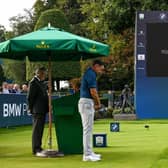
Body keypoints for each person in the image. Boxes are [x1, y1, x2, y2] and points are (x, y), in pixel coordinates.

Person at [78, 59, 105, 162]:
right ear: (96, 66)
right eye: (100, 69)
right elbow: (93, 91)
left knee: (88, 129)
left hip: (86, 103)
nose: (101, 71)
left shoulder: (90, 73)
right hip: (86, 103)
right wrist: (98, 103)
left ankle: (90, 152)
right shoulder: (91, 74)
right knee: (87, 129)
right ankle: (87, 155)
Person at [27, 67, 49, 157]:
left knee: (39, 130)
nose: (45, 76)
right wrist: (30, 108)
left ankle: (38, 147)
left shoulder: (40, 82)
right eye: (44, 74)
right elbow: (30, 97)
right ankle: (36, 148)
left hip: (42, 109)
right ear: (40, 74)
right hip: (37, 110)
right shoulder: (33, 83)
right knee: (37, 130)